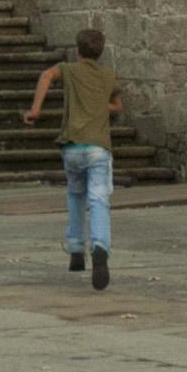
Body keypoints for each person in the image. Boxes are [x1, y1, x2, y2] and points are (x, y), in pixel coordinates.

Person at [23, 25, 123, 290]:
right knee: (98, 200)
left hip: (72, 148)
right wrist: (98, 104)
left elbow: (46, 76)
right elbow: (117, 106)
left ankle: (76, 250)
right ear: (101, 52)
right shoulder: (108, 76)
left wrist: (35, 110)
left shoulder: (68, 70)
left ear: (77, 50)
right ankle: (100, 246)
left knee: (75, 195)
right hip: (98, 147)